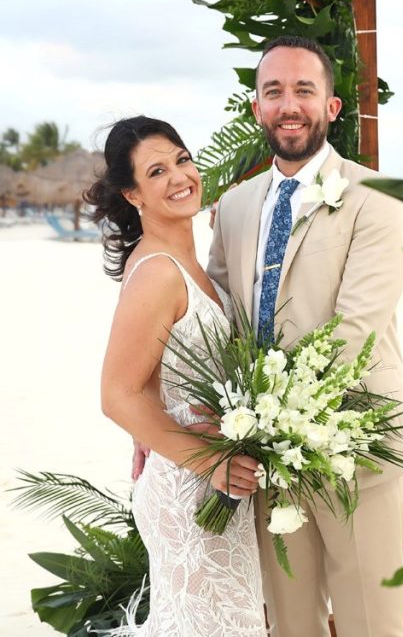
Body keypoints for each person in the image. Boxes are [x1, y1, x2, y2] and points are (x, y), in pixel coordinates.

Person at [207, 36, 403, 637]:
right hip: (262, 458)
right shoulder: (232, 206)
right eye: (273, 91)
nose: (289, 104)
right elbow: (218, 318)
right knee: (289, 622)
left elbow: (356, 329)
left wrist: (284, 415)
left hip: (357, 444)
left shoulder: (375, 199)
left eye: (304, 90)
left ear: (331, 108)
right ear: (256, 107)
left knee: (369, 622)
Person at [86, 116, 266, 636]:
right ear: (133, 194)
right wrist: (206, 458)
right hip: (190, 488)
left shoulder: (193, 263)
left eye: (182, 160)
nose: (179, 177)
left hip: (214, 481)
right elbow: (115, 394)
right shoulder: (160, 271)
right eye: (157, 171)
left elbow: (153, 373)